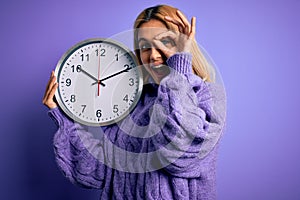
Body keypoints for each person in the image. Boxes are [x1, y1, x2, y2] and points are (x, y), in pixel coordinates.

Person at [43, 4, 226, 200]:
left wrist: (179, 70)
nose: (154, 55)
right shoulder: (132, 104)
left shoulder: (208, 98)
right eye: (145, 47)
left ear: (184, 45)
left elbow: (179, 157)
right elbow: (97, 173)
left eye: (165, 41)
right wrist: (63, 117)